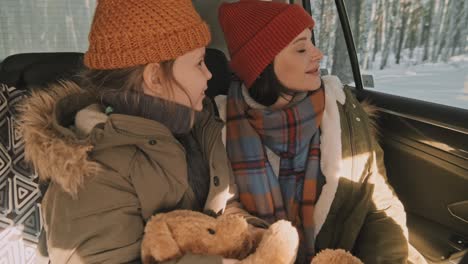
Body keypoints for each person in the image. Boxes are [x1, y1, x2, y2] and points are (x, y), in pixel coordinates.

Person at [20, 0, 265, 263]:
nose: (209, 75)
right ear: (155, 78)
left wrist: (256, 239)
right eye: (199, 63)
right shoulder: (92, 172)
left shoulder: (198, 129)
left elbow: (226, 208)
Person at [216, 1, 426, 263]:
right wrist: (263, 242)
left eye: (311, 42)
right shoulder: (219, 124)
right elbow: (223, 210)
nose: (318, 54)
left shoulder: (343, 112)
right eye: (302, 48)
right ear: (262, 64)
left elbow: (380, 205)